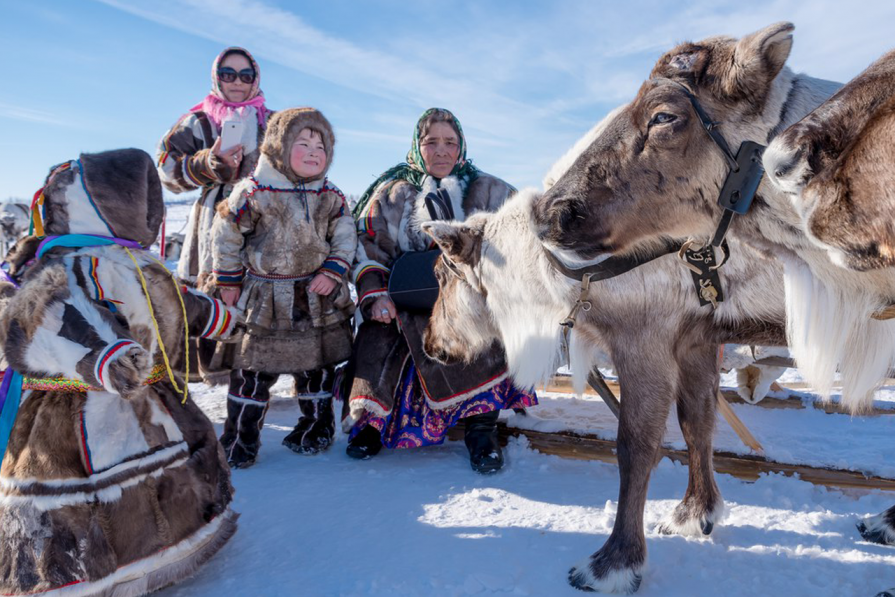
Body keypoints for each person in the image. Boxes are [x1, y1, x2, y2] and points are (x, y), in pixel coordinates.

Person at [0, 149, 240, 595]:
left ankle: (168, 547)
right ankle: (91, 574)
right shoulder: (68, 265)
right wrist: (102, 358)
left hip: (150, 398)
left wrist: (218, 318)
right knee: (90, 501)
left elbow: (175, 301)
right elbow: (40, 319)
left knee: (165, 477)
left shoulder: (135, 261)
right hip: (77, 409)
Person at [343, 108, 537, 474]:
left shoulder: (492, 191)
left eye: (450, 142)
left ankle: (481, 431)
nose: (442, 151)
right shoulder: (392, 194)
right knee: (378, 336)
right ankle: (372, 423)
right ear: (418, 147)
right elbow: (368, 248)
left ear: (461, 147)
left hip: (467, 302)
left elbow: (521, 242)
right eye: (432, 142)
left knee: (483, 333)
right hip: (405, 299)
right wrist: (376, 295)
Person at [211, 108, 356, 469]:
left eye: (320, 145)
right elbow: (226, 235)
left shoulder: (331, 196)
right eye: (302, 143)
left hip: (314, 298)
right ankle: (240, 440)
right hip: (264, 298)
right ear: (278, 146)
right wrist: (227, 280)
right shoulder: (254, 191)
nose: (312, 151)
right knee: (252, 371)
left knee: (316, 368)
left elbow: (344, 238)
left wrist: (334, 271)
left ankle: (315, 429)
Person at [156, 46, 272, 382]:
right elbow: (165, 168)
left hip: (263, 219)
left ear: (256, 79)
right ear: (216, 77)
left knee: (259, 293)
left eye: (245, 75)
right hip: (211, 220)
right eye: (228, 74)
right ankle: (204, 369)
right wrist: (208, 162)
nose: (237, 82)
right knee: (210, 291)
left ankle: (256, 375)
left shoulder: (272, 121)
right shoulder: (198, 121)